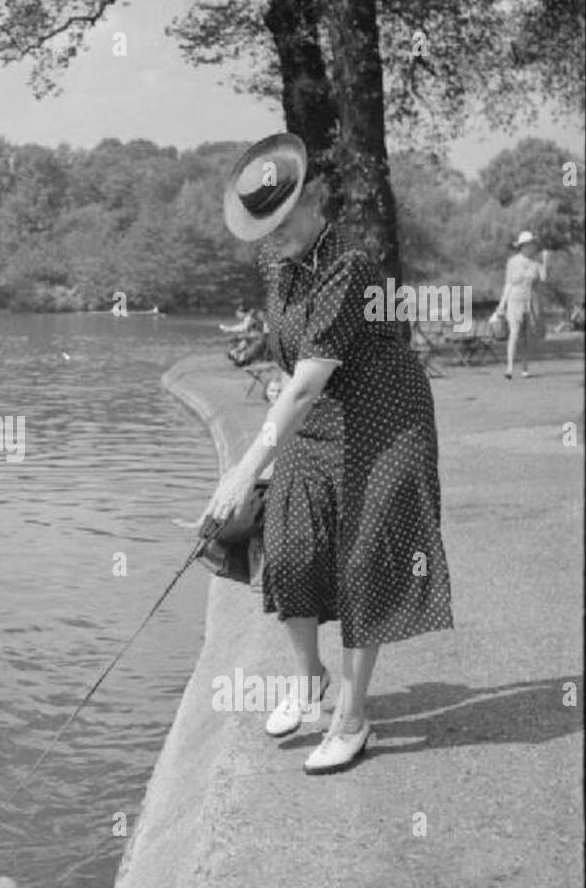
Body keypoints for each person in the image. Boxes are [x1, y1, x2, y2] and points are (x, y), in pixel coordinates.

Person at [203, 132, 453, 773]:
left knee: (365, 558)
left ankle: (353, 716)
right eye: (264, 227)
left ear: (313, 201)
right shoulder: (279, 263)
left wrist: (243, 467)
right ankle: (308, 679)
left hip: (382, 418)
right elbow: (294, 363)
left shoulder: (348, 265)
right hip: (316, 418)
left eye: (283, 223)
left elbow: (312, 379)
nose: (273, 237)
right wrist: (275, 398)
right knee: (289, 549)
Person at [491, 231, 548, 378]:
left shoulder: (536, 263)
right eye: (530, 244)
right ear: (523, 246)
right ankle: (509, 368)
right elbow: (508, 284)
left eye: (533, 244)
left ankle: (525, 367)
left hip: (531, 301)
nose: (533, 246)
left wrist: (545, 262)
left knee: (527, 336)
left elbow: (543, 279)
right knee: (514, 334)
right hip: (515, 300)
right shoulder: (512, 262)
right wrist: (501, 305)